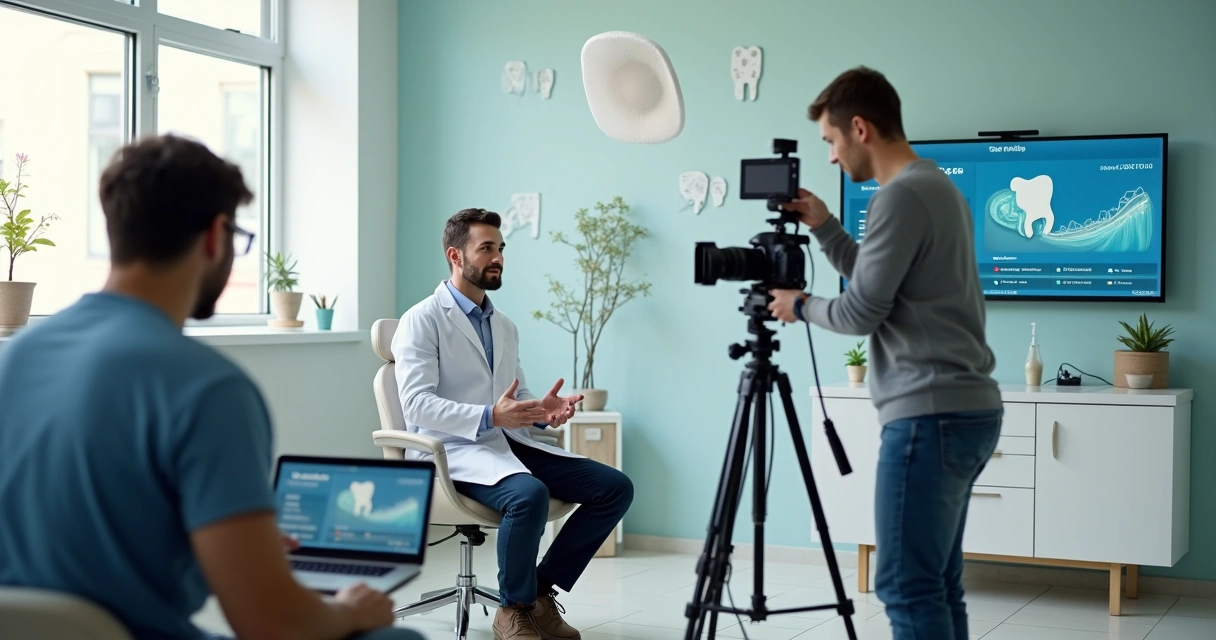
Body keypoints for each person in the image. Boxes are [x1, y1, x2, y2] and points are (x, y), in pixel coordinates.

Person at [0, 134, 422, 640]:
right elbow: (271, 624)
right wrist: (351, 610)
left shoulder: (17, 356)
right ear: (215, 236)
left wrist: (235, 544)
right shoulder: (208, 389)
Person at [766, 67, 1003, 640]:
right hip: (967, 409)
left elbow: (860, 311)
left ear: (859, 128)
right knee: (938, 583)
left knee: (904, 585)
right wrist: (824, 226)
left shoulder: (901, 198)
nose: (829, 155)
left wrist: (798, 305)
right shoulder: (935, 187)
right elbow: (880, 281)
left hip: (929, 415)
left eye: (829, 140)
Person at [391, 208, 634, 640]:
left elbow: (514, 394)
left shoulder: (503, 324)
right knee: (529, 495)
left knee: (614, 488)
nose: (497, 257)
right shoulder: (422, 319)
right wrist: (489, 416)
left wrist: (542, 411)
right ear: (455, 255)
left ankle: (538, 592)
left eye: (500, 248)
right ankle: (513, 609)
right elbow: (417, 407)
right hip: (452, 450)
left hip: (508, 442)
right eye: (486, 248)